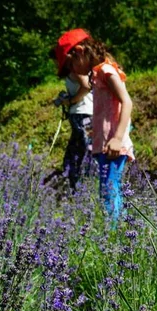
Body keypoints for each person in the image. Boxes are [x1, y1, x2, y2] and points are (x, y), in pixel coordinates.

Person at [59, 30, 134, 222]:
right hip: (103, 144)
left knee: (110, 189)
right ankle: (116, 232)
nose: (73, 70)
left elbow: (127, 102)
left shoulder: (107, 71)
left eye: (72, 63)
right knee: (106, 191)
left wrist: (117, 138)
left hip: (114, 145)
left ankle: (117, 235)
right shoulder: (97, 74)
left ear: (81, 51)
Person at [53, 29, 94, 191]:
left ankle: (79, 185)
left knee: (83, 152)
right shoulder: (76, 69)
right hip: (83, 114)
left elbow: (86, 86)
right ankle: (77, 185)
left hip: (83, 113)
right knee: (79, 151)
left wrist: (70, 101)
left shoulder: (74, 69)